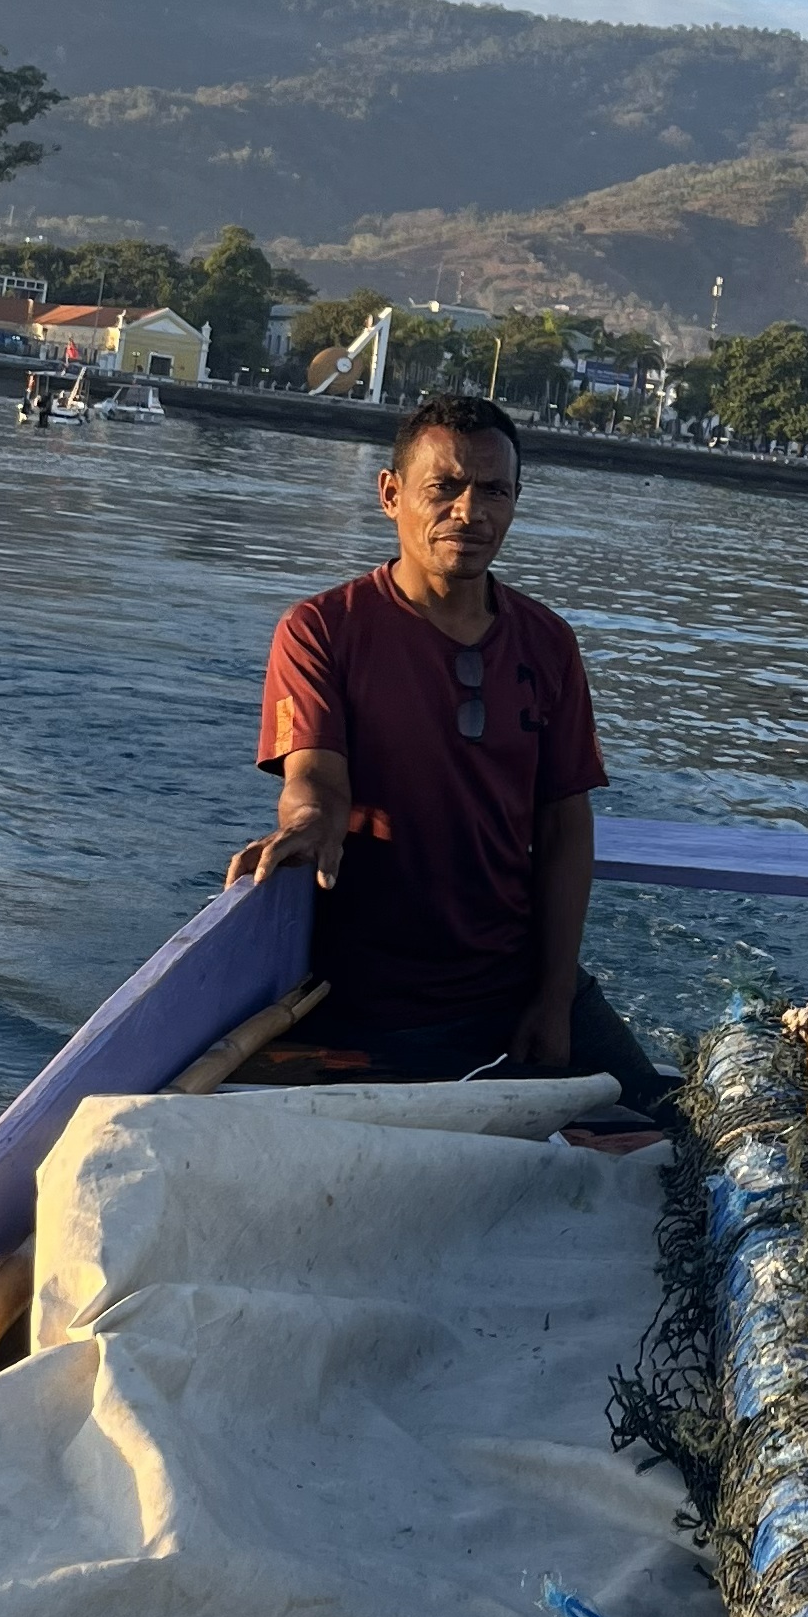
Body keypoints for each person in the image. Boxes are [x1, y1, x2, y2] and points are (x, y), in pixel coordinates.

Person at [226, 389, 669, 1115]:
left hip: (513, 980)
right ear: (392, 495)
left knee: (661, 1138)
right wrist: (307, 826)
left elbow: (564, 826)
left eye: (495, 490)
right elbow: (315, 779)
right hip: (365, 998)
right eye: (446, 488)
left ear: (517, 501)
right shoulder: (321, 630)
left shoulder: (547, 643)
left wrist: (555, 998)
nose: (471, 511)